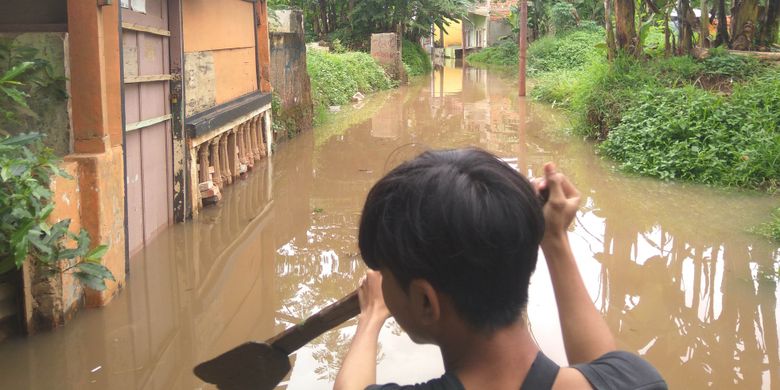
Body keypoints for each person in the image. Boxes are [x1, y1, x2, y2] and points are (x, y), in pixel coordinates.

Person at [333, 148, 667, 390]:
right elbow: (605, 368)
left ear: (425, 301)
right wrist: (555, 240)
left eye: (384, 272)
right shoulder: (640, 382)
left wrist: (371, 317)